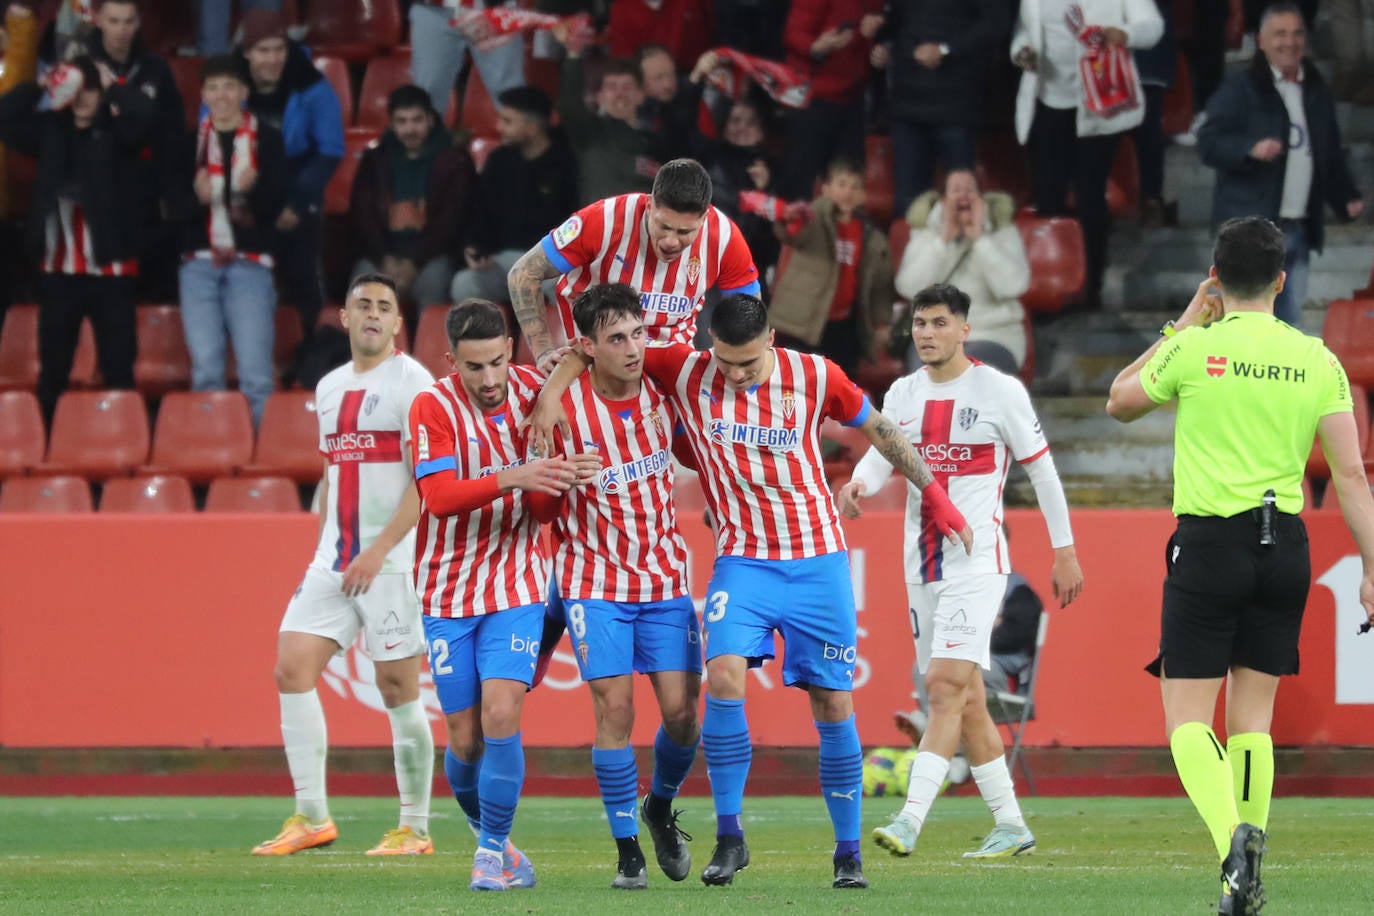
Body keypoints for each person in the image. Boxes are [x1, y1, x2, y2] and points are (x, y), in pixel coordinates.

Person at [530, 292, 973, 890]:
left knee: (833, 705)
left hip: (818, 561)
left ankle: (848, 854)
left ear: (771, 342)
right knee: (724, 677)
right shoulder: (687, 370)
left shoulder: (816, 375)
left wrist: (937, 496)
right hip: (744, 563)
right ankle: (730, 837)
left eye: (748, 363)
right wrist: (554, 393)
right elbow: (601, 350)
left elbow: (880, 429)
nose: (735, 375)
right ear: (709, 347)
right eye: (725, 362)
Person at [1105, 216, 1374, 915]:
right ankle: (1246, 866)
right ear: (1284, 282)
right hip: (1285, 543)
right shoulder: (1317, 358)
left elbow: (1120, 401)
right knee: (1253, 720)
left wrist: (1187, 319)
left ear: (1218, 279)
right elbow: (1350, 474)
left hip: (1211, 543)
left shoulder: (1198, 347)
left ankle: (1233, 846)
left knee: (1187, 718)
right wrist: (1373, 569)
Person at [836, 282, 1082, 862]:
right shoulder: (901, 392)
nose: (927, 333)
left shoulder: (1000, 392)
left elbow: (1042, 474)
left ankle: (910, 819)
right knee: (967, 698)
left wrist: (1064, 549)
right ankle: (1011, 824)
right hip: (919, 562)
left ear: (964, 329)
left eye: (939, 323)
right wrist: (861, 484)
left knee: (944, 686)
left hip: (976, 561)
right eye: (920, 323)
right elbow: (883, 451)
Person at [407, 298, 600, 891]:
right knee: (464, 738)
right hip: (445, 588)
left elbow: (541, 511)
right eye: (475, 368)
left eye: (497, 362)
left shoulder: (534, 395)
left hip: (515, 580)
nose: (490, 380)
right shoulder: (430, 407)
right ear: (451, 363)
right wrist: (517, 475)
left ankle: (489, 853)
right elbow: (437, 498)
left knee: (500, 713)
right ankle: (496, 841)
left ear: (509, 350)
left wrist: (557, 479)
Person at [252, 274, 437, 858]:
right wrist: (325, 546)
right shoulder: (329, 387)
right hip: (333, 562)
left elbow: (427, 484)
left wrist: (379, 550)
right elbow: (336, 474)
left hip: (390, 563)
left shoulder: (415, 385)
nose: (375, 315)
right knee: (291, 669)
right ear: (345, 317)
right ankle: (312, 818)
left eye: (386, 307)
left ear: (398, 323)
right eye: (364, 306)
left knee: (398, 688)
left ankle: (415, 828)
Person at [527, 284, 702, 889]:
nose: (633, 349)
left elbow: (699, 446)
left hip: (664, 576)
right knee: (616, 710)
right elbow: (538, 511)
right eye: (617, 338)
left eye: (639, 333)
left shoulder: (664, 388)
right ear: (588, 346)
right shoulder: (561, 409)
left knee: (683, 717)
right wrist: (555, 482)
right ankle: (628, 851)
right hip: (592, 579)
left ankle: (659, 805)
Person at [0, 55, 152, 421]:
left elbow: (147, 117)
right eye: (76, 91)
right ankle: (47, 444)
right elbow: (5, 115)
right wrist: (42, 85)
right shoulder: (50, 130)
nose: (83, 99)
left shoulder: (119, 134)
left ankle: (124, 442)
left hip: (113, 270)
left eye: (90, 91)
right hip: (58, 271)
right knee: (53, 372)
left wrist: (115, 84)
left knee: (118, 370)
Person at [1196, 2, 1363, 331]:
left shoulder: (1315, 89)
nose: (1290, 41)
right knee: (1237, 331)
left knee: (1289, 328)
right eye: (1280, 34)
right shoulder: (1239, 87)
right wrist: (1248, 150)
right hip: (1246, 238)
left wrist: (1345, 197)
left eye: (1297, 33)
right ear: (1261, 40)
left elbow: (1327, 152)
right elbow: (1209, 142)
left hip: (1296, 232)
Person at [506, 157, 761, 372]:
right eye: (663, 226)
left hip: (670, 362)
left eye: (685, 232)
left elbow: (748, 310)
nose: (671, 241)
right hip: (590, 355)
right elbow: (523, 272)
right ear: (649, 205)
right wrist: (542, 351)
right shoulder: (602, 220)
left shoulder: (725, 237)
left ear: (704, 218)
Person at [1010, 0, 1163, 308]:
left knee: (1090, 196)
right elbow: (1024, 32)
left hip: (1100, 105)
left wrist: (1124, 33)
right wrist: (1022, 52)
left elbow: (1153, 27)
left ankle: (1090, 287)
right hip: (1049, 102)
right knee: (1049, 196)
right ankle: (1056, 281)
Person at [176, 53, 288, 427]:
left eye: (229, 86)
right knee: (206, 368)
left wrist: (251, 193)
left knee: (256, 372)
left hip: (252, 262)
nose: (222, 95)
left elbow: (278, 211)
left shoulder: (267, 139)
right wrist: (195, 197)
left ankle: (262, 462)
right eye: (214, 87)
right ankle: (209, 453)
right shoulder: (188, 142)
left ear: (243, 91)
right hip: (198, 262)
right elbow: (169, 210)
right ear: (203, 94)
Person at [238, 8, 343, 354]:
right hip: (248, 192)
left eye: (279, 50)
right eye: (263, 51)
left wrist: (296, 204)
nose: (272, 59)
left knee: (305, 276)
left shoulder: (310, 81)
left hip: (298, 189)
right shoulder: (230, 82)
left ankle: (315, 353)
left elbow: (329, 149)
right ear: (247, 53)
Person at [450, 85, 579, 307]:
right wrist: (475, 247)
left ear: (532, 127)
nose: (499, 127)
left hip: (550, 262)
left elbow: (574, 221)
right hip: (502, 262)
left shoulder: (565, 163)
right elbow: (480, 212)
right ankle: (486, 341)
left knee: (566, 287)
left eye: (507, 121)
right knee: (465, 283)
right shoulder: (499, 160)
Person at [350, 84, 472, 314]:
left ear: (430, 120)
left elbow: (452, 220)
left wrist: (414, 263)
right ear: (392, 124)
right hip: (383, 254)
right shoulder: (375, 160)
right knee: (363, 285)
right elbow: (363, 214)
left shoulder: (454, 160)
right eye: (402, 121)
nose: (410, 129)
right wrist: (383, 258)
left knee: (433, 283)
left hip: (433, 256)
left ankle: (429, 349)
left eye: (416, 120)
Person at [769, 155, 895, 376]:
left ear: (864, 195)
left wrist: (881, 323)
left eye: (856, 187)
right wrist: (790, 220)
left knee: (841, 389)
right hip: (804, 321)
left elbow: (880, 285)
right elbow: (791, 233)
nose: (848, 192)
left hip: (845, 324)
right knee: (798, 387)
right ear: (825, 189)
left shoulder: (872, 236)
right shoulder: (813, 218)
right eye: (842, 184)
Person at [896, 169, 1030, 376]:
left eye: (970, 190)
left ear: (981, 200)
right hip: (936, 337)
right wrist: (942, 242)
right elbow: (909, 289)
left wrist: (980, 240)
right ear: (943, 201)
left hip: (995, 336)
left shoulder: (1002, 231)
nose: (963, 196)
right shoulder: (926, 234)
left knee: (967, 375)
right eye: (956, 190)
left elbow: (1013, 286)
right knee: (929, 379)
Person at [883, 0, 1011, 216]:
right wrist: (880, 34)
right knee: (909, 203)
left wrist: (946, 49)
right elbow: (897, 20)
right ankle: (908, 250)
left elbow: (996, 23)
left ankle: (961, 249)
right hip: (907, 103)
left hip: (956, 106)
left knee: (961, 200)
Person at [778, 1, 884, 199]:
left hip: (853, 98)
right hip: (813, 98)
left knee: (848, 179)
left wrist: (877, 37)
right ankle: (801, 228)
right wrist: (816, 47)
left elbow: (870, 33)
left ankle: (843, 229)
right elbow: (793, 34)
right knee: (802, 181)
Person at [408, 0, 525, 123]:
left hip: (495, 7)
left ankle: (520, 141)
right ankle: (429, 142)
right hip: (432, 9)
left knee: (509, 91)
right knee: (427, 93)